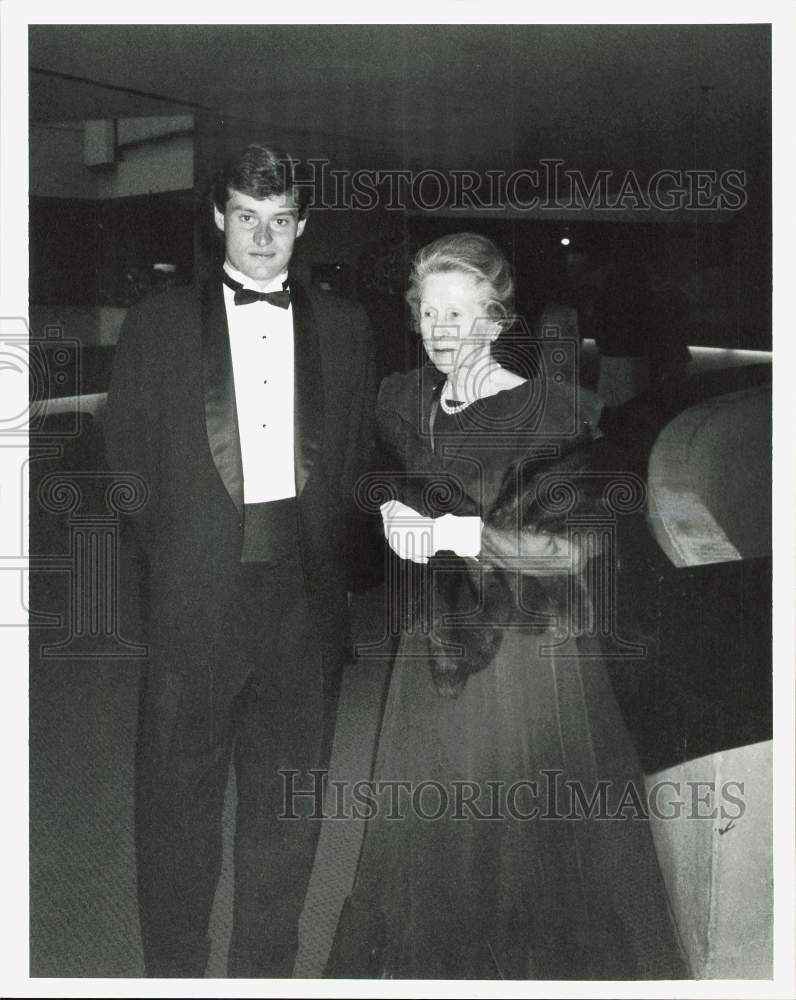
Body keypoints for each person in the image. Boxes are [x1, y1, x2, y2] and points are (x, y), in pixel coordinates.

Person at [325, 232, 688, 979]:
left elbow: (574, 549)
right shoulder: (407, 400)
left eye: (459, 313)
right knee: (431, 824)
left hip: (525, 653)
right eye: (427, 313)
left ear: (495, 320)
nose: (440, 331)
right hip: (434, 641)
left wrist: (464, 532)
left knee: (519, 830)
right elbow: (389, 481)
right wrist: (393, 512)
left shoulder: (547, 416)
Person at [103, 144, 375, 977]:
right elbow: (128, 470)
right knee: (177, 809)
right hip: (196, 603)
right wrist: (187, 566)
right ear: (220, 217)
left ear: (303, 224)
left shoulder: (346, 327)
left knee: (287, 811)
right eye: (247, 219)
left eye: (281, 220)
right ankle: (176, 975)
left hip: (304, 605)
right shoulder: (156, 323)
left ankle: (264, 974)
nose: (264, 238)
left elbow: (355, 461)